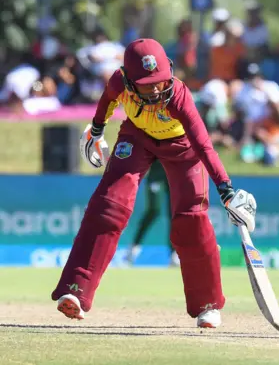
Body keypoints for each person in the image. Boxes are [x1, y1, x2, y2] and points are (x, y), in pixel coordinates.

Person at [52, 38, 257, 329]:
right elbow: (107, 101)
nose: (157, 88)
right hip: (137, 137)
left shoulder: (179, 96)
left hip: (183, 148)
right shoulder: (118, 82)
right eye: (147, 84)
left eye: (160, 81)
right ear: (128, 79)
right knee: (108, 205)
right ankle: (75, 290)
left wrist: (226, 190)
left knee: (191, 221)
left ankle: (207, 305)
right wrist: (97, 130)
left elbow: (203, 145)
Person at [125, 160, 175, 266]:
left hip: (174, 174)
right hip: (156, 174)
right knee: (153, 211)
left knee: (173, 213)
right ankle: (133, 249)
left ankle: (174, 254)